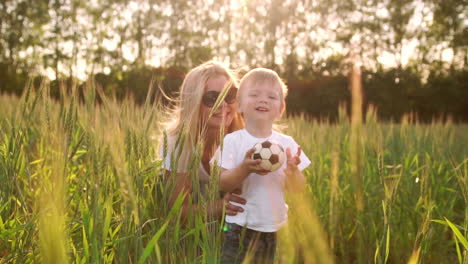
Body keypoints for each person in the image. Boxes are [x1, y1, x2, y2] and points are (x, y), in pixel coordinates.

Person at [215, 68, 311, 263]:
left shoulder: (287, 144)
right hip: (240, 228)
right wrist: (245, 168)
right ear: (240, 106)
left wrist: (293, 172)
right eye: (254, 94)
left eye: (271, 96)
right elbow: (222, 183)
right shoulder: (232, 141)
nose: (263, 100)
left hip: (278, 229)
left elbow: (298, 188)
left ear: (281, 109)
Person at [159, 61, 246, 221]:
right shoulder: (177, 142)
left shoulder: (247, 138)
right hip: (191, 235)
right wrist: (221, 206)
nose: (223, 104)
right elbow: (177, 212)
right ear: (194, 102)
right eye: (212, 98)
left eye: (230, 95)